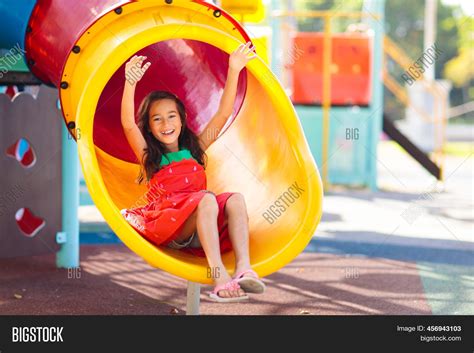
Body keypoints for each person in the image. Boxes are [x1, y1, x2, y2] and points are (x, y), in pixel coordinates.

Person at [120, 42, 265, 302]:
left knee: (235, 199)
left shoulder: (195, 148)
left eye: (171, 116)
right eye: (157, 119)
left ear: (182, 119)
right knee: (206, 199)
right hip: (175, 229)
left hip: (203, 225)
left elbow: (222, 113)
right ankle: (218, 276)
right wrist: (130, 82)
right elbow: (128, 125)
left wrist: (233, 70)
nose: (166, 124)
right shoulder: (151, 157)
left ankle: (244, 268)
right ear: (150, 128)